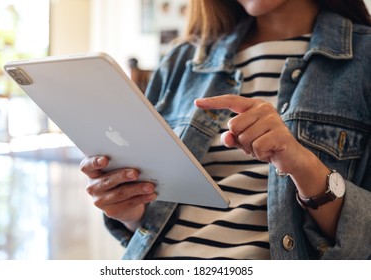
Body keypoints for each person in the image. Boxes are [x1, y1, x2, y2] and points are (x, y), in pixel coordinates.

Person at [80, 0, 371, 259]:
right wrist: (132, 211)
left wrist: (302, 164)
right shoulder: (182, 61)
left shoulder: (364, 58)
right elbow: (152, 221)